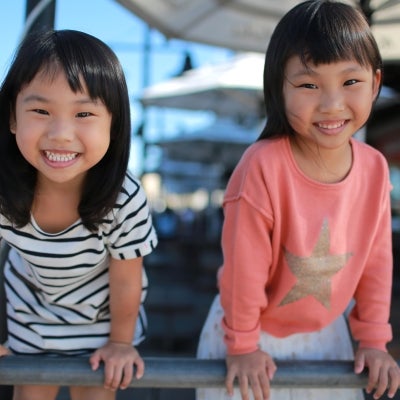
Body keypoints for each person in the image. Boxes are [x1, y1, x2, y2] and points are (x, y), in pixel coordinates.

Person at [196, 1, 400, 400]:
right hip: (248, 335)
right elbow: (243, 269)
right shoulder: (262, 165)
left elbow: (377, 262)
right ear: (279, 89)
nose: (331, 104)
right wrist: (242, 346)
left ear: (375, 83)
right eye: (309, 85)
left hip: (328, 337)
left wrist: (374, 340)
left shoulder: (374, 168)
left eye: (350, 82)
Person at [0, 29, 157, 400]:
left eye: (84, 113)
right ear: (11, 119)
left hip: (104, 320)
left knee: (97, 392)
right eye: (40, 111)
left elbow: (126, 278)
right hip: (31, 313)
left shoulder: (124, 197)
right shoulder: (4, 189)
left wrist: (120, 343)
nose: (61, 134)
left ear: (114, 126)